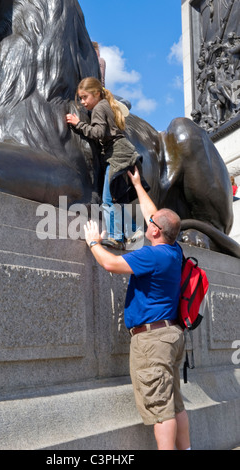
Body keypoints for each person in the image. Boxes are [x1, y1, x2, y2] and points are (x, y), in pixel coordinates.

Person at [83, 166, 191, 451]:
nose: (147, 222)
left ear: (155, 231)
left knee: (161, 409)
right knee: (175, 403)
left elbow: (110, 264)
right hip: (171, 336)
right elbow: (154, 214)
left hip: (152, 341)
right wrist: (138, 185)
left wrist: (93, 241)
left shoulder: (151, 255)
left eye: (151, 222)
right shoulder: (173, 251)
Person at [66, 77, 148, 250]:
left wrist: (77, 123)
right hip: (124, 153)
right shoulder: (107, 105)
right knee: (117, 199)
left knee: (108, 200)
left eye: (85, 97)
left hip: (117, 155)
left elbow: (97, 132)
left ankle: (116, 237)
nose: (82, 102)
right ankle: (135, 232)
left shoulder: (99, 108)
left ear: (96, 94)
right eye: (80, 98)